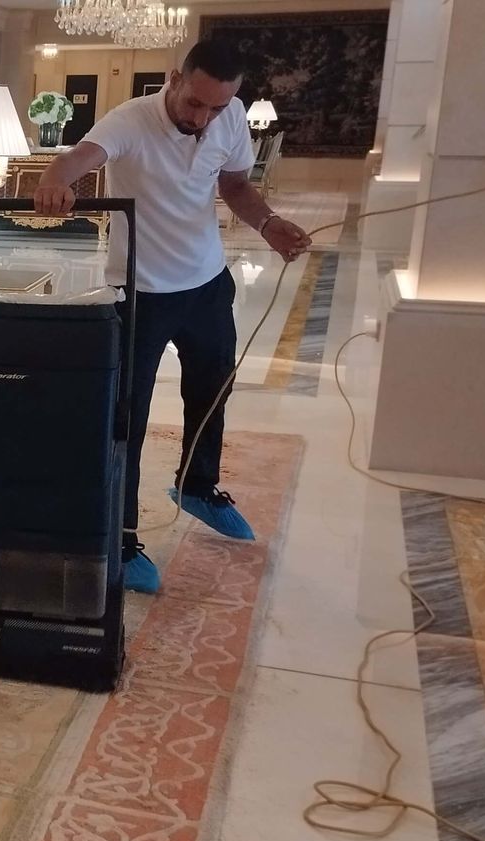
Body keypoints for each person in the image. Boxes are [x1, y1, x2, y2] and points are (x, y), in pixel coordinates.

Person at [32, 40, 310, 593]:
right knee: (125, 418)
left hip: (206, 283)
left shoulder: (229, 117)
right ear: (174, 78)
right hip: (140, 290)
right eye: (195, 104)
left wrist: (269, 224)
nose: (204, 118)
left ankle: (197, 485)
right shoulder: (130, 121)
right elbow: (79, 156)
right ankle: (121, 535)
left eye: (217, 107)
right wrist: (56, 178)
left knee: (212, 392)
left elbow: (233, 184)